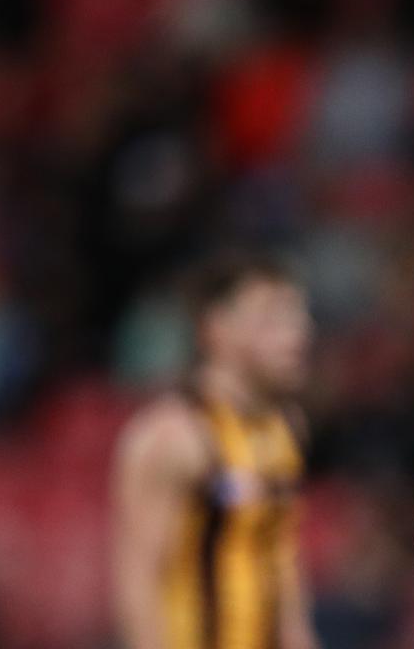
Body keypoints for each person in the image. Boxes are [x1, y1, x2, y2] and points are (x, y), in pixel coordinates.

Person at [112, 254, 319, 649]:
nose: (298, 333)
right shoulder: (172, 436)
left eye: (299, 316)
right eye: (273, 317)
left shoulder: (288, 428)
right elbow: (139, 580)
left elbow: (283, 566)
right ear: (215, 328)